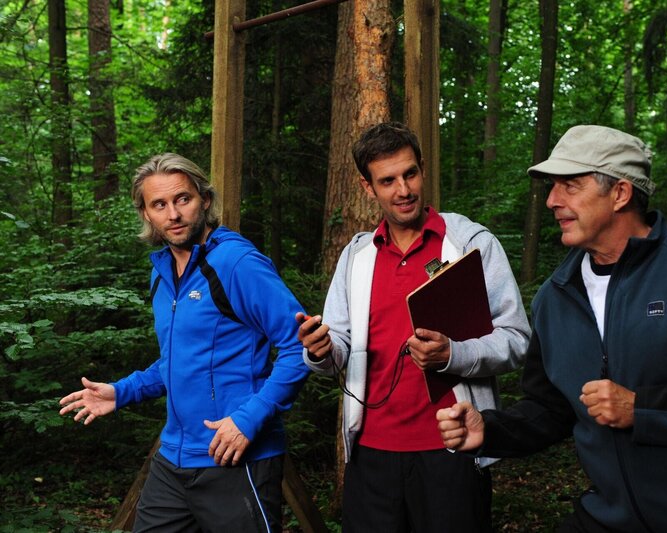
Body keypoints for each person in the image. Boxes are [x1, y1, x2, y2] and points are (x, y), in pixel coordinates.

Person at [437, 125, 667, 532]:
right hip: (612, 518)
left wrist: (642, 410)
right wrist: (491, 430)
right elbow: (551, 408)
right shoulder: (555, 298)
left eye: (570, 186)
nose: (553, 200)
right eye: (553, 187)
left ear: (621, 194)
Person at [297, 122, 530, 532]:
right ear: (368, 187)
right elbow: (339, 346)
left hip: (454, 448)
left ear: (423, 169)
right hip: (370, 455)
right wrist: (319, 349)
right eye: (387, 181)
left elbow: (516, 340)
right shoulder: (357, 256)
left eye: (410, 174)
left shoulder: (470, 243)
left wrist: (453, 354)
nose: (403, 190)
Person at [59, 153, 309, 532]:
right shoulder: (161, 273)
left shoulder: (236, 263)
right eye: (159, 204)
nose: (173, 214)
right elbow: (179, 361)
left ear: (204, 201)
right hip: (173, 459)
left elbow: (301, 347)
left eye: (183, 199)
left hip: (235, 457)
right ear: (146, 214)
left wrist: (249, 418)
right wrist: (121, 392)